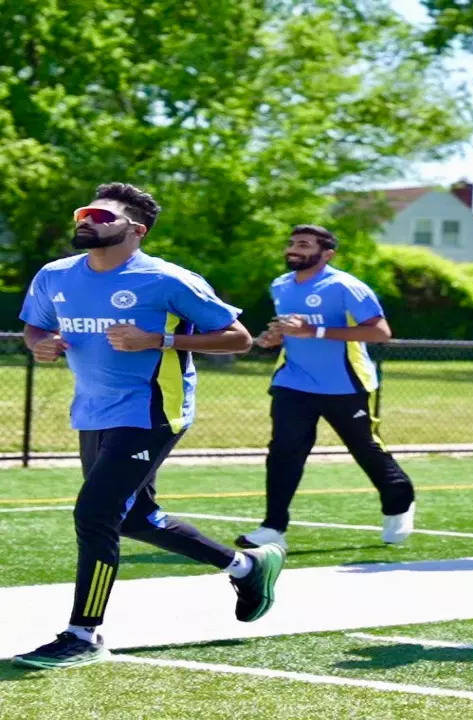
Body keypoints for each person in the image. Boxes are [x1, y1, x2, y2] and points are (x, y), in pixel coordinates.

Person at [14, 183, 283, 669]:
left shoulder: (167, 280)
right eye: (84, 212)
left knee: (95, 514)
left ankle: (83, 634)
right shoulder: (55, 275)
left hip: (152, 412)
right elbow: (36, 325)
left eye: (101, 215)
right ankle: (246, 566)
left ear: (134, 231)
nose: (86, 220)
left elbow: (238, 338)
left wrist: (158, 340)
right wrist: (40, 343)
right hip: (93, 412)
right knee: (133, 517)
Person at [236, 225, 417, 550]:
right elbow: (291, 329)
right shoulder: (280, 285)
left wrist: (314, 331)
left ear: (327, 253)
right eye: (291, 243)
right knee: (283, 452)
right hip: (293, 382)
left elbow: (380, 333)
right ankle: (273, 527)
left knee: (364, 448)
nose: (293, 249)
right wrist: (274, 337)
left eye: (303, 244)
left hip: (345, 384)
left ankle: (399, 502)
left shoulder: (346, 286)